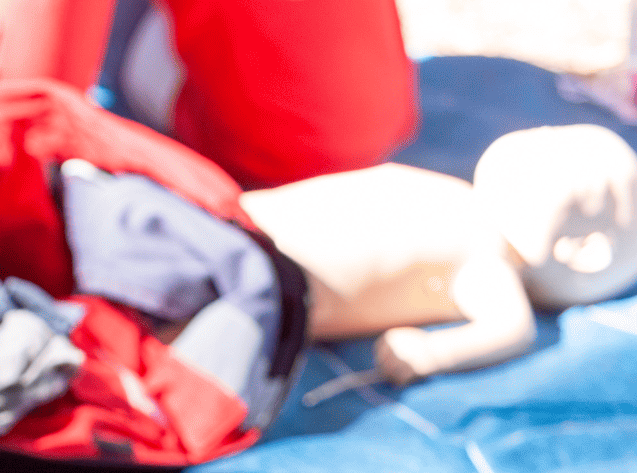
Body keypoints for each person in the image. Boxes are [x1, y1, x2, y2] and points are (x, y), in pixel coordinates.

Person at [236, 124, 637, 387]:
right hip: (256, 245)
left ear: (585, 252)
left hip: (264, 274)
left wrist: (432, 353)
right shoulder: (471, 214)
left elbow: (512, 331)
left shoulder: (489, 262)